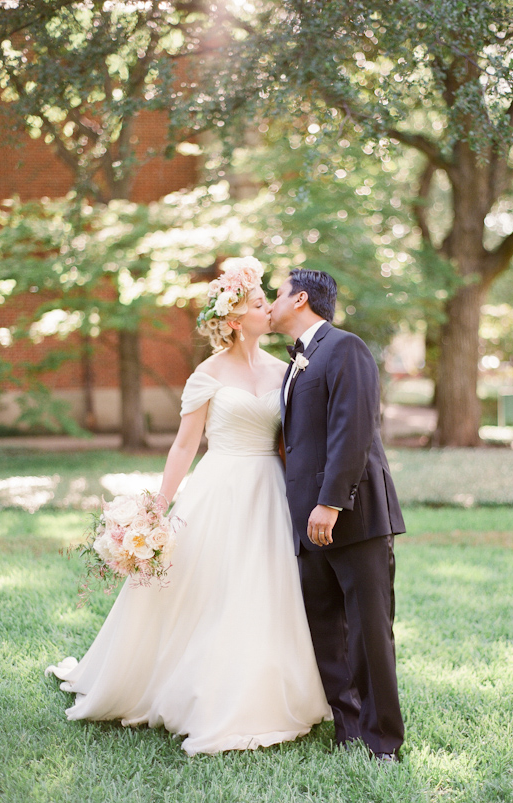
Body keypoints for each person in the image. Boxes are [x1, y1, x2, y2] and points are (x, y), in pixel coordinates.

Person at [46, 257, 330, 756]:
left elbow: (293, 439)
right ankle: (194, 688)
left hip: (269, 489)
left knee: (264, 587)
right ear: (238, 318)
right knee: (209, 588)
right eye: (261, 303)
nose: (271, 308)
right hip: (218, 487)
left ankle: (264, 688)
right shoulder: (207, 373)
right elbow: (184, 446)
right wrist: (158, 506)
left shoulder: (288, 369)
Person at [268, 267, 406, 762]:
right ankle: (348, 728)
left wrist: (329, 502)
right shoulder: (296, 362)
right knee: (326, 630)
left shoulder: (344, 347)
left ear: (300, 298)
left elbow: (353, 428)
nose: (269, 303)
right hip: (307, 524)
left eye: (275, 294)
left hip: (353, 515)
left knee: (369, 631)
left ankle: (382, 741)